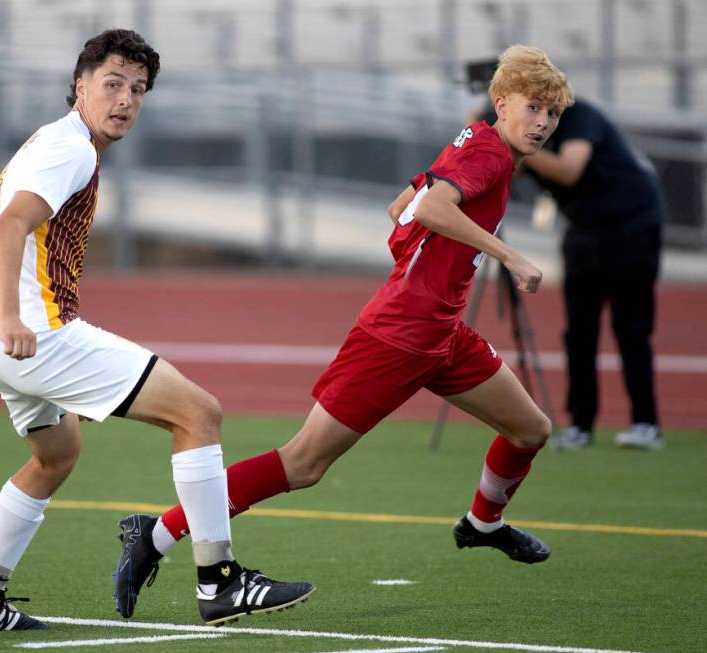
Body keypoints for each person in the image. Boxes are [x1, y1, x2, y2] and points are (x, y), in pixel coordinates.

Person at [113, 44, 575, 619]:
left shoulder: (476, 140)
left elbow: (399, 208)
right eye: (533, 108)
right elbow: (429, 209)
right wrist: (509, 256)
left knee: (531, 429)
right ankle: (155, 532)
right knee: (302, 464)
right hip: (399, 335)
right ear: (501, 103)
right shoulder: (490, 156)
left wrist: (433, 260)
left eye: (551, 115)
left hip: (441, 332)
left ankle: (482, 523)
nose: (542, 123)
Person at [0, 29, 313, 633]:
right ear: (79, 86)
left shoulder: (54, 142)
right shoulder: (73, 150)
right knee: (199, 413)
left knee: (55, 456)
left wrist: (4, 325)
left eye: (137, 90)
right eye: (112, 84)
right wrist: (14, 318)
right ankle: (219, 582)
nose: (125, 100)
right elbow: (11, 226)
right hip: (37, 335)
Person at [521, 99, 665, 451]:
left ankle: (645, 423)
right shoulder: (521, 129)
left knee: (631, 327)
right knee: (579, 333)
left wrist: (517, 145)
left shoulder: (578, 116)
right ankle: (580, 426)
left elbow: (570, 169)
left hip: (631, 226)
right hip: (583, 230)